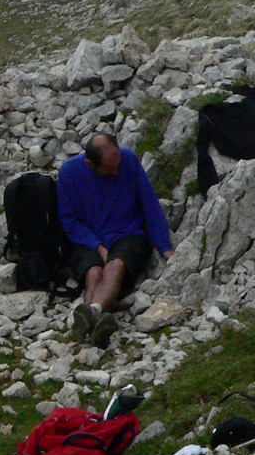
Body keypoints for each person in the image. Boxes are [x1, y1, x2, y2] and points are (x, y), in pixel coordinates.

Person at [57, 133, 173, 348]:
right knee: (93, 272)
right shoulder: (69, 173)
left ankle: (91, 315)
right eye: (109, 169)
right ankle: (96, 322)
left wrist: (164, 246)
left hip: (128, 234)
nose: (117, 172)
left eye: (117, 165)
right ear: (90, 164)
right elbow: (69, 221)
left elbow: (150, 205)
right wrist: (97, 246)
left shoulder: (129, 160)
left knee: (115, 265)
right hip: (89, 238)